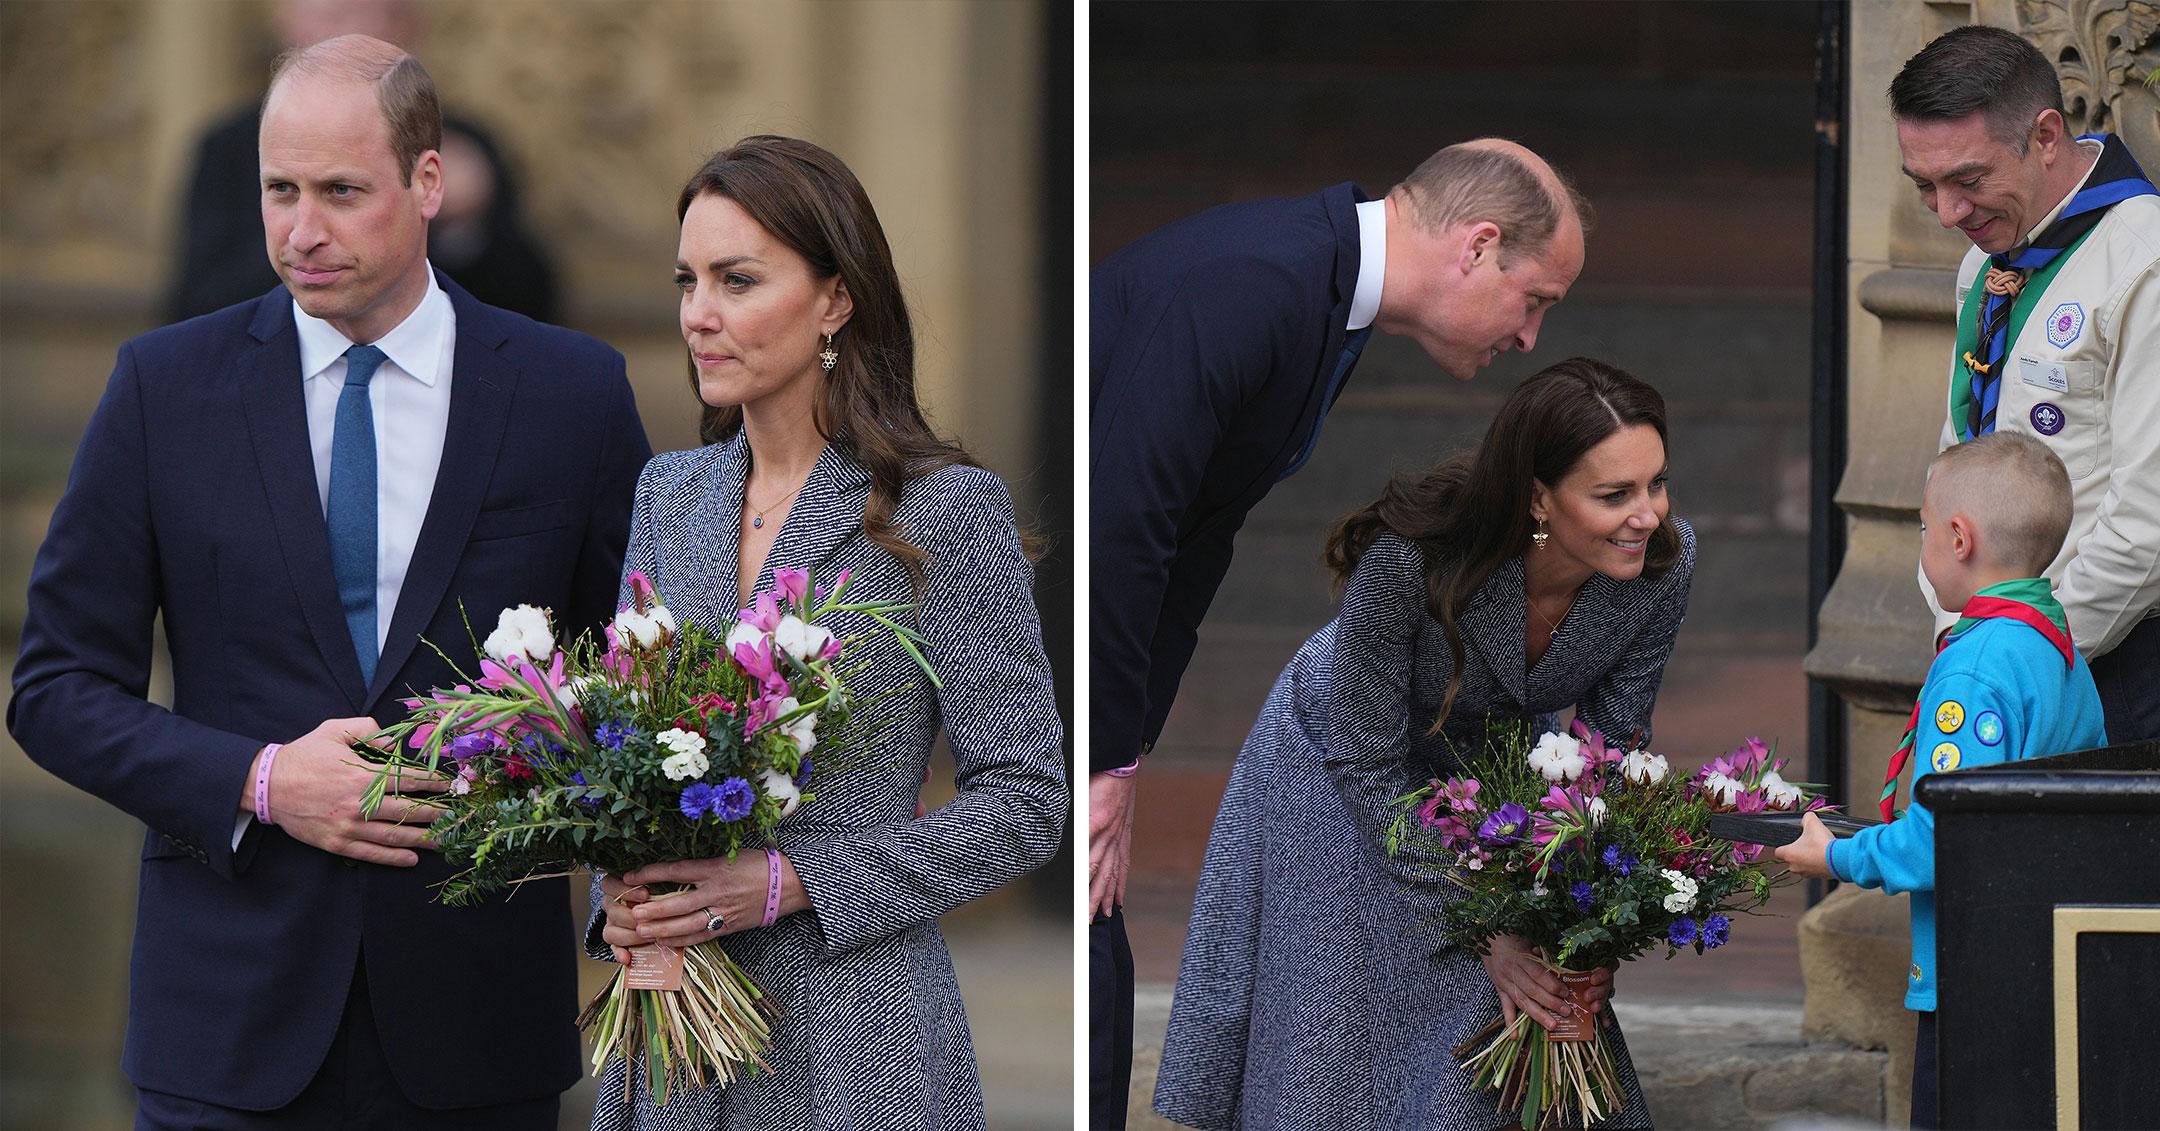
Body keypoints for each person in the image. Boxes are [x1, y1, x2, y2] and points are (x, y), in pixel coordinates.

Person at [7, 35, 649, 1129]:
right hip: (227, 1023)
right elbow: (56, 690)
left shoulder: (569, 393)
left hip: (477, 1026)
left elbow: (639, 681)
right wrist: (261, 780)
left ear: (428, 182)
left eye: (342, 192)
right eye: (280, 191)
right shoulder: (164, 389)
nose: (302, 231)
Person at [1088, 138, 1589, 1126]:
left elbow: (1198, 531)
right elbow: (1125, 520)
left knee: (1093, 936)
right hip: (1049, 650)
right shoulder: (1257, 282)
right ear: (1478, 248)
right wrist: (1105, 754)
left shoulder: (1315, 288)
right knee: (1090, 933)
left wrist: (1128, 747)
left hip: (1096, 678)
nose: (1531, 337)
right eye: (1536, 299)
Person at [582, 136, 1065, 1131]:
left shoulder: (943, 512)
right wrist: (623, 899)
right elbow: (617, 754)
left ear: (835, 301)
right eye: (688, 281)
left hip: (859, 1039)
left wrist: (792, 880)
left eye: (738, 280)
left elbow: (1025, 803)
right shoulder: (668, 495)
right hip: (676, 1042)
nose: (698, 315)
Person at [1153, 358, 1689, 1130]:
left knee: (1528, 985)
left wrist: (1587, 923)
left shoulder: (1664, 567)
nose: (1648, 515)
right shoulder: (1410, 558)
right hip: (1343, 756)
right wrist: (1488, 925)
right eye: (1615, 495)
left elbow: (1607, 752)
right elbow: (1365, 760)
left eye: (1657, 483)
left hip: (1497, 765)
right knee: (1355, 1016)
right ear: (1539, 496)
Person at [1779, 432, 2105, 1131]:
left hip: (1976, 971)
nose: (1922, 545)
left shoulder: (1976, 666)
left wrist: (1833, 857)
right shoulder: (2055, 643)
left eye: (1924, 528)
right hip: (2043, 959)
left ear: (1959, 538)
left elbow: (1943, 840)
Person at [1889, 24, 2160, 741]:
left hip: (2110, 667)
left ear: (2045, 136)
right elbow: (1959, 463)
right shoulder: (1986, 263)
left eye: (1968, 179)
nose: (1948, 212)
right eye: (1925, 186)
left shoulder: (2143, 260)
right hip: (1997, 656)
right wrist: (1965, 634)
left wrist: (2023, 649)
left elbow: (2148, 521)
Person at [166, 0, 560, 324]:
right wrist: (305, 255)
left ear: (408, 31)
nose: (342, 37)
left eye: (363, 13)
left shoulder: (461, 144)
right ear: (285, 21)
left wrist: (466, 226)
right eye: (282, 187)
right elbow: (197, 302)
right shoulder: (229, 147)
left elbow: (528, 311)